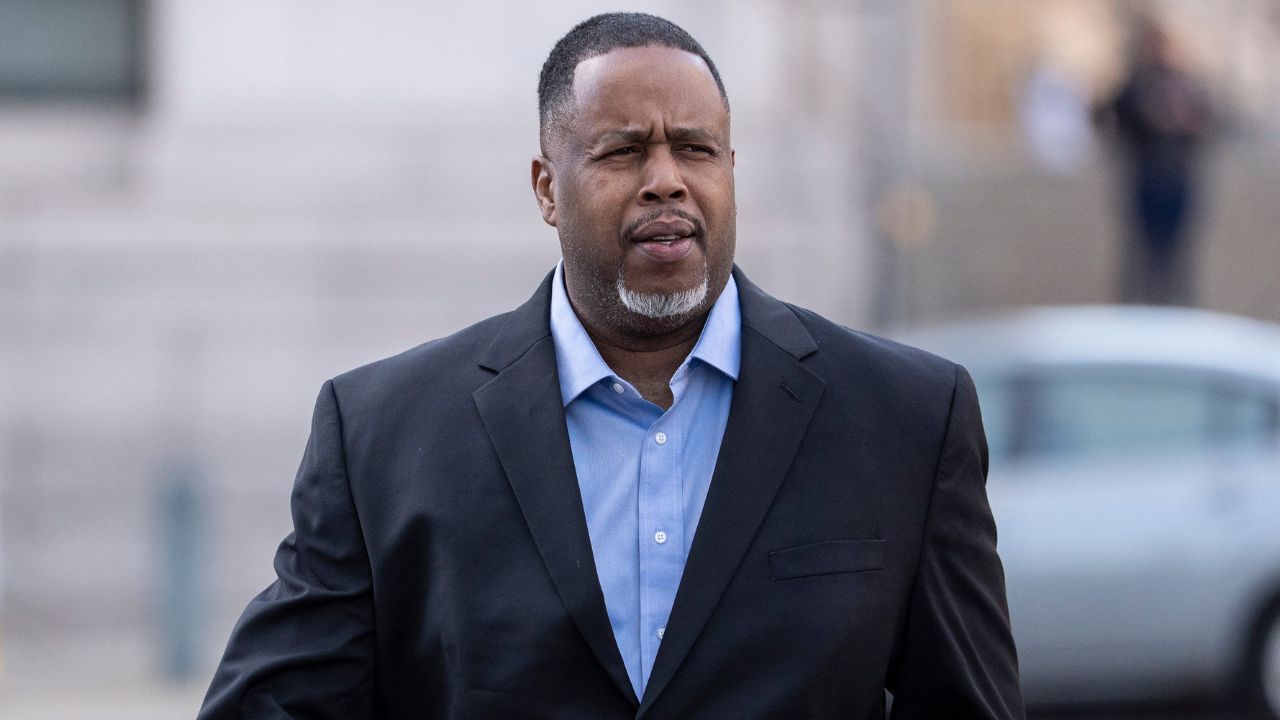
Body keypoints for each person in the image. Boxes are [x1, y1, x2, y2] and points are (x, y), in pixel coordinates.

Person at [199, 13, 1023, 719]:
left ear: (731, 172)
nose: (666, 181)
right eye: (623, 152)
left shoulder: (908, 419)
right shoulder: (381, 434)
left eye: (696, 149)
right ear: (546, 189)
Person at [1104, 17, 1212, 306]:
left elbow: (1208, 124)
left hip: (1179, 176)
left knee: (1176, 253)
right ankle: (1141, 307)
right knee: (1143, 252)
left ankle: (1174, 306)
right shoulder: (1138, 84)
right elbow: (1113, 116)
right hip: (1147, 175)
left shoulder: (1188, 86)